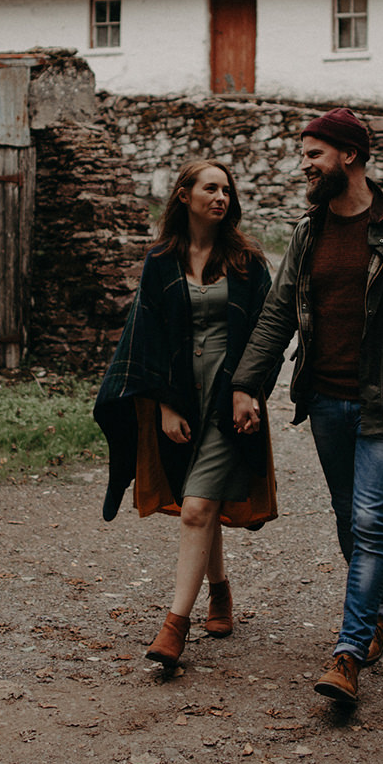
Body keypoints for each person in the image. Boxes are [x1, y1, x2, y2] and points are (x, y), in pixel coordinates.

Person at [231, 108, 383, 705]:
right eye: (305, 155)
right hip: (327, 401)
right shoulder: (309, 233)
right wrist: (246, 383)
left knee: (368, 521)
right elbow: (278, 314)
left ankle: (348, 653)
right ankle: (380, 615)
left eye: (313, 155)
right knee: (345, 517)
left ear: (348, 157)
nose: (303, 165)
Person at [94, 159, 278, 669]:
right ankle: (219, 591)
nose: (220, 197)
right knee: (203, 495)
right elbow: (146, 338)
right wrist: (167, 405)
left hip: (228, 398)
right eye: (210, 188)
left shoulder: (247, 261)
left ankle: (174, 626)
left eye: (227, 189)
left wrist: (248, 391)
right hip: (180, 398)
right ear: (184, 195)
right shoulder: (160, 261)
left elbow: (266, 334)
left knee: (197, 507)